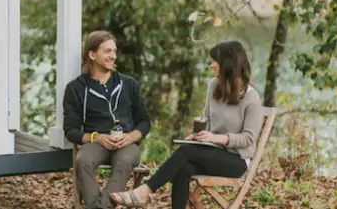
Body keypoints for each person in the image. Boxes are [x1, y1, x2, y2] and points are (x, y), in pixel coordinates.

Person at [109, 40, 263, 208]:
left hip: (237, 160)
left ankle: (144, 192)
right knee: (184, 168)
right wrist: (198, 136)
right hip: (213, 151)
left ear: (227, 64)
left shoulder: (251, 98)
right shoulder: (214, 86)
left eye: (215, 61)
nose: (211, 65)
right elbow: (207, 118)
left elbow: (248, 138)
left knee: (186, 152)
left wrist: (216, 138)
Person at [63, 30, 152, 209]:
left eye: (114, 51)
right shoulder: (76, 88)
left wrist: (130, 137)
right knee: (83, 160)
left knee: (125, 161)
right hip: (96, 142)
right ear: (92, 54)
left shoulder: (129, 84)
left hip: (126, 144)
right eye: (107, 51)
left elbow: (144, 122)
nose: (113, 56)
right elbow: (71, 130)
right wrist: (97, 138)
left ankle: (102, 206)